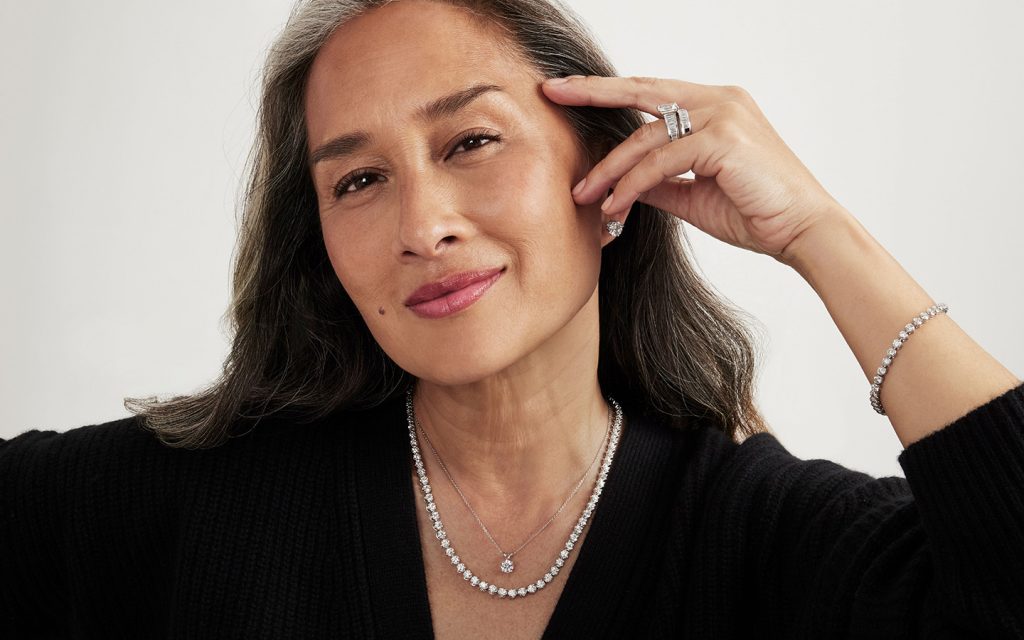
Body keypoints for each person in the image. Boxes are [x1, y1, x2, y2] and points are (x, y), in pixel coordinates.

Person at [2, 0, 1023, 637]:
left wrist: (817, 232)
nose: (424, 224)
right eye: (357, 179)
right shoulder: (185, 508)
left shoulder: (760, 538)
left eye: (471, 141)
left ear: (607, 165)